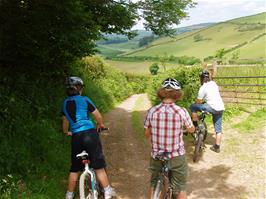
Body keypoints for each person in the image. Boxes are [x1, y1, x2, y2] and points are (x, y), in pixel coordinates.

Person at [61, 76, 116, 199]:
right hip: (90, 134)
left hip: (76, 137)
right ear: (79, 88)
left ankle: (69, 194)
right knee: (99, 166)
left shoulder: (64, 103)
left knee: (74, 168)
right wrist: (100, 125)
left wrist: (66, 132)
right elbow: (97, 115)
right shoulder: (85, 99)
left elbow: (65, 122)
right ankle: (107, 191)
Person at [144, 78, 195, 199]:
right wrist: (188, 129)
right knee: (180, 186)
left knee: (154, 182)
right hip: (176, 155)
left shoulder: (152, 111)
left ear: (161, 92)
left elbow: (146, 134)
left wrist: (154, 127)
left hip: (157, 155)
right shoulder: (181, 112)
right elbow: (191, 129)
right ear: (177, 94)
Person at [190, 70, 225, 153]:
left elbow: (198, 101)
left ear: (201, 79)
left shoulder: (203, 88)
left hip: (211, 107)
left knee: (193, 107)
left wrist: (198, 103)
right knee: (218, 128)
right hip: (220, 108)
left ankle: (195, 126)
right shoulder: (214, 83)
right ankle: (217, 147)